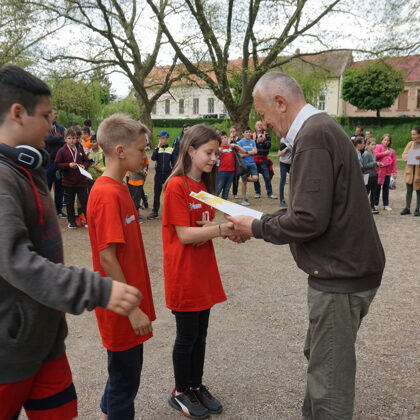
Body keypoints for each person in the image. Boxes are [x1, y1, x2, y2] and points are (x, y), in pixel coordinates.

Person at [227, 72, 385, 420]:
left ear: (280, 102)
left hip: (340, 276)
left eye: (264, 114)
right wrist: (259, 222)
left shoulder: (313, 136)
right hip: (345, 271)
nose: (264, 124)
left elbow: (308, 219)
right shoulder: (320, 130)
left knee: (329, 382)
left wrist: (256, 227)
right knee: (321, 360)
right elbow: (308, 210)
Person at [0, 64, 141, 420]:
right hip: (9, 348)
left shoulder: (25, 167)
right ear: (17, 113)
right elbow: (16, 260)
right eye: (46, 115)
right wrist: (97, 289)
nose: (54, 125)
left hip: (45, 337)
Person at [162, 124, 234, 419]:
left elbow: (204, 227)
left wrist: (224, 229)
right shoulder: (176, 186)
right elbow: (185, 235)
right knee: (187, 335)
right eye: (209, 152)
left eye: (217, 153)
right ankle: (180, 391)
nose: (214, 158)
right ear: (191, 150)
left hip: (202, 271)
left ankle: (195, 385)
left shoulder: (204, 186)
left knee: (200, 335)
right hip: (184, 273)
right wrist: (221, 229)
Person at [55, 127, 91, 228]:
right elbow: (57, 164)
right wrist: (68, 165)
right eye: (69, 138)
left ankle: (88, 220)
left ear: (77, 139)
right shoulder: (62, 151)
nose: (72, 141)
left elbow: (86, 161)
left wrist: (84, 166)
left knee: (84, 201)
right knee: (69, 202)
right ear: (65, 139)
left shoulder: (80, 149)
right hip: (68, 182)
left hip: (81, 181)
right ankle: (71, 221)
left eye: (74, 138)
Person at [148, 130, 176, 220]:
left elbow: (174, 163)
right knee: (157, 193)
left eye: (163, 138)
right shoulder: (157, 149)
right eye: (160, 138)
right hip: (158, 174)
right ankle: (155, 211)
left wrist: (173, 174)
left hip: (168, 174)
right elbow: (153, 158)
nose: (161, 140)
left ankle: (170, 212)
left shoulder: (171, 149)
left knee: (168, 193)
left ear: (167, 139)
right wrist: (157, 148)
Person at [44, 106, 66, 218]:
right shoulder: (43, 127)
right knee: (46, 188)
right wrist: (60, 138)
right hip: (48, 163)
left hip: (59, 163)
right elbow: (48, 140)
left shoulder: (60, 128)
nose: (56, 115)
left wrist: (59, 139)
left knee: (60, 187)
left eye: (57, 113)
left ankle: (58, 210)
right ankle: (45, 211)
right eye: (54, 113)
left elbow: (65, 141)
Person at [216, 131, 245, 200]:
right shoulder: (218, 148)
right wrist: (218, 150)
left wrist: (236, 145)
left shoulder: (231, 147)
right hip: (221, 171)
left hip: (231, 171)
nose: (224, 139)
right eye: (222, 138)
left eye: (225, 137)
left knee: (227, 189)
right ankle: (213, 203)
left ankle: (224, 202)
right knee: (218, 187)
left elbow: (244, 151)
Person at [252, 120, 276, 199]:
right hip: (255, 159)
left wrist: (262, 141)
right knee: (255, 177)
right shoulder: (252, 136)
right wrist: (257, 142)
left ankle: (270, 193)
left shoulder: (267, 135)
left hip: (264, 159)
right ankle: (257, 192)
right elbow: (251, 146)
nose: (259, 126)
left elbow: (268, 145)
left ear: (262, 126)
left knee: (267, 176)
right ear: (255, 126)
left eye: (260, 125)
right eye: (257, 125)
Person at [400, 127, 420, 216]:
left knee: (419, 191)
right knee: (409, 190)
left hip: (418, 172)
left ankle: (418, 209)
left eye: (414, 134)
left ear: (419, 135)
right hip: (410, 172)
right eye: (412, 134)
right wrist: (410, 157)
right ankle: (407, 208)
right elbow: (404, 154)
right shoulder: (410, 144)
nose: (412, 136)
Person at [374, 133, 397, 211]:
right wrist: (383, 153)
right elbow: (375, 155)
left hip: (387, 172)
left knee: (386, 188)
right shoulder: (377, 147)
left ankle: (386, 205)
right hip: (378, 171)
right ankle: (375, 204)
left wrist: (394, 172)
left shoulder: (392, 151)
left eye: (388, 140)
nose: (386, 142)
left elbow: (394, 162)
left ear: (390, 142)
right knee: (377, 188)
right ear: (382, 140)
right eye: (385, 140)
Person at [237, 126, 258, 206]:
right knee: (244, 183)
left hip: (252, 164)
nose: (248, 133)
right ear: (243, 133)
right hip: (244, 165)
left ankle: (243, 179)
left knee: (255, 178)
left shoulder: (252, 141)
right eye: (246, 132)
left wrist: (246, 152)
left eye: (249, 132)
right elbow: (240, 155)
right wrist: (250, 152)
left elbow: (255, 151)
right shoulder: (240, 143)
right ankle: (244, 198)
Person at [362, 138, 383, 214]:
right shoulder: (366, 154)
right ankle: (363, 207)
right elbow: (364, 166)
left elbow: (373, 163)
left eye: (375, 144)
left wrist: (377, 164)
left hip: (374, 175)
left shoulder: (373, 153)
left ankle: (372, 206)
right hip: (367, 176)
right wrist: (375, 163)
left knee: (374, 191)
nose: (374, 146)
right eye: (372, 144)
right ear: (367, 145)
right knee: (366, 191)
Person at [127, 155, 149, 223]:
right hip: (132, 178)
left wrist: (145, 170)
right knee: (134, 197)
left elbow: (146, 164)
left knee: (136, 197)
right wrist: (144, 173)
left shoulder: (142, 154)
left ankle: (136, 214)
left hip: (138, 180)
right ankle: (135, 214)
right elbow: (134, 167)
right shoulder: (132, 154)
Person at [277, 137, 292, 206]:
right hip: (283, 163)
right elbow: (279, 154)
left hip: (291, 163)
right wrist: (287, 148)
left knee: (295, 181)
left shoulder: (294, 139)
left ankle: (294, 199)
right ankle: (282, 200)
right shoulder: (283, 141)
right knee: (283, 180)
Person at [229, 126, 241, 199]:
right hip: (229, 161)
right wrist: (230, 140)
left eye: (234, 131)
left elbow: (239, 148)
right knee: (228, 178)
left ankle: (235, 193)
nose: (232, 133)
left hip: (237, 160)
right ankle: (226, 192)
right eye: (231, 132)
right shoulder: (228, 140)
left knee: (236, 178)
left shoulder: (239, 140)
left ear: (236, 132)